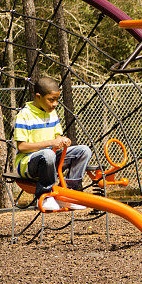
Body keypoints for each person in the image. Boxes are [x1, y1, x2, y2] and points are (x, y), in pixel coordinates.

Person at [14, 76, 91, 211]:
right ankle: (45, 195)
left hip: (50, 158)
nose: (55, 104)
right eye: (51, 100)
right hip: (29, 163)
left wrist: (62, 140)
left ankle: (70, 191)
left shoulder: (52, 112)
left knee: (84, 150)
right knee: (48, 153)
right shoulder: (24, 115)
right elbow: (21, 147)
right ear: (38, 96)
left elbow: (57, 135)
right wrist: (51, 143)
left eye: (56, 100)